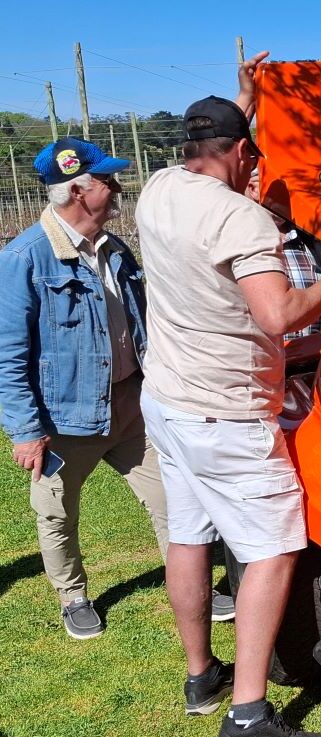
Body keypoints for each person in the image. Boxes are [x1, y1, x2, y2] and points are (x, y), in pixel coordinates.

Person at [136, 51, 321, 737]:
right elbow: (279, 317)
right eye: (254, 156)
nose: (257, 170)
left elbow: (221, 149)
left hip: (170, 401)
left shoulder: (159, 189)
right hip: (228, 414)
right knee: (273, 548)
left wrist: (245, 98)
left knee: (189, 535)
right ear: (242, 152)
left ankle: (199, 677)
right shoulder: (242, 219)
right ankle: (247, 718)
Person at [0, 138, 169, 640]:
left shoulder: (114, 249)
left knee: (174, 500)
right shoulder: (25, 257)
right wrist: (26, 431)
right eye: (107, 181)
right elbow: (7, 355)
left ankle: (192, 580)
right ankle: (72, 595)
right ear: (77, 191)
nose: (118, 188)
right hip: (63, 419)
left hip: (131, 405)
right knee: (55, 513)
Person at [245, 168, 321, 339]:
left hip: (317, 359)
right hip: (265, 362)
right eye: (289, 188)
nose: (297, 198)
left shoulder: (315, 241)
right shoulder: (237, 242)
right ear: (254, 188)